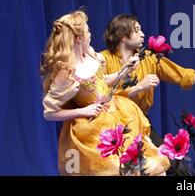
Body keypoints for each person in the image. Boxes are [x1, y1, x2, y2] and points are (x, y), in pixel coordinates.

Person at [100, 13, 195, 175]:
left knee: (176, 166)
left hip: (141, 123)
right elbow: (102, 96)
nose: (143, 34)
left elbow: (182, 75)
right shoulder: (103, 59)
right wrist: (137, 88)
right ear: (122, 36)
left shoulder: (148, 59)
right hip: (112, 129)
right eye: (137, 30)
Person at [40, 10, 170, 176]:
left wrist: (123, 72)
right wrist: (82, 111)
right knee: (114, 169)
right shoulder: (67, 72)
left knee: (149, 165)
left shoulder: (91, 55)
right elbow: (49, 113)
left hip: (118, 112)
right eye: (88, 32)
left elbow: (100, 81)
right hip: (94, 126)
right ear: (78, 39)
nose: (90, 35)